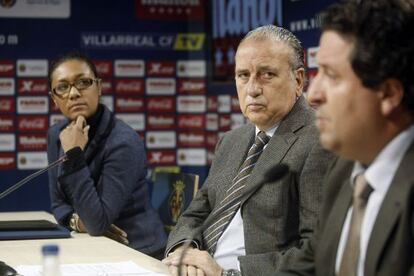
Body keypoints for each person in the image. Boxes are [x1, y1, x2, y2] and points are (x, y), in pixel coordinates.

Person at [162, 25, 335, 276]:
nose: (252, 89)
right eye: (243, 75)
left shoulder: (319, 142)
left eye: (266, 75)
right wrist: (184, 251)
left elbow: (317, 252)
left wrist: (227, 274)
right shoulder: (231, 141)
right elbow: (196, 212)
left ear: (298, 80)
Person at [276, 0, 414, 275]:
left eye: (331, 75)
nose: (312, 94)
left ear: (388, 94)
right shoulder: (343, 170)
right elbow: (308, 265)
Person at [47, 52, 167, 259]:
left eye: (83, 82)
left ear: (99, 87)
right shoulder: (58, 135)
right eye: (63, 87)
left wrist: (74, 155)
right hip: (93, 248)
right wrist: (78, 222)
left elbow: (96, 223)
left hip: (138, 250)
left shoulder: (123, 141)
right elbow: (58, 205)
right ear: (54, 98)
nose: (74, 93)